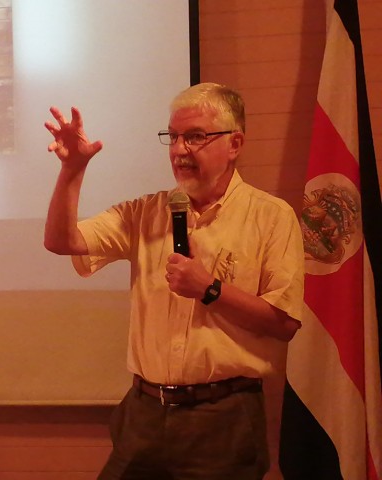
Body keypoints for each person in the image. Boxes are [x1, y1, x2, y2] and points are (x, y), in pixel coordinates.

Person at [43, 82, 305, 480]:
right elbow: (62, 242)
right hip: (144, 412)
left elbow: (284, 323)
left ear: (234, 143)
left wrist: (210, 290)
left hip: (223, 418)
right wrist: (72, 171)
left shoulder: (271, 217)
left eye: (196, 136)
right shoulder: (144, 213)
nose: (180, 150)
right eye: (174, 137)